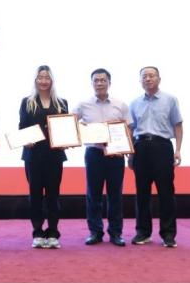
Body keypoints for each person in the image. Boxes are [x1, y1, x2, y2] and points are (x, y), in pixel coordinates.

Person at [73, 68, 131, 247]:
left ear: (109, 83)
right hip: (94, 154)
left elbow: (128, 128)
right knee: (93, 194)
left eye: (103, 80)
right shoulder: (83, 104)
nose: (99, 83)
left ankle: (116, 233)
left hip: (115, 155)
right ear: (92, 83)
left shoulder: (120, 104)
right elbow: (69, 123)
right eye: (96, 80)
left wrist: (125, 147)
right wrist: (81, 131)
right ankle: (95, 232)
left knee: (115, 195)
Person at [129, 66, 183, 248]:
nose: (148, 79)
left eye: (152, 75)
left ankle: (168, 234)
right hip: (140, 148)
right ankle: (143, 232)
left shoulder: (170, 100)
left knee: (166, 192)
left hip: (162, 147)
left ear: (159, 79)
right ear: (140, 81)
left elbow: (178, 125)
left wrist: (178, 149)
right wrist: (130, 154)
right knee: (142, 193)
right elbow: (131, 130)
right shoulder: (134, 103)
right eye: (144, 76)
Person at [19, 65, 68, 249]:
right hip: (33, 156)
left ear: (52, 80)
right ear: (35, 80)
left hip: (54, 156)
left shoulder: (61, 103)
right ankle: (38, 232)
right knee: (35, 196)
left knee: (53, 195)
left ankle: (53, 233)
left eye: (47, 77)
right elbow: (22, 127)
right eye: (40, 77)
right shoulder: (27, 102)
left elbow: (66, 128)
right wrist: (25, 140)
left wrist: (66, 140)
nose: (44, 81)